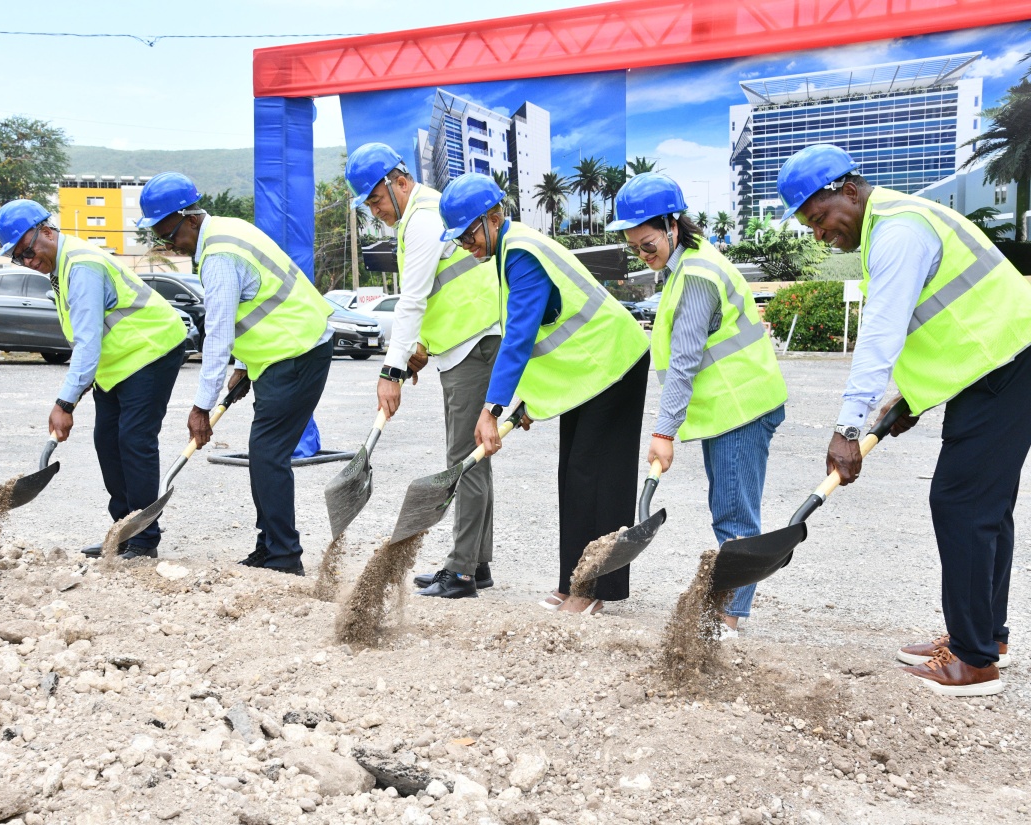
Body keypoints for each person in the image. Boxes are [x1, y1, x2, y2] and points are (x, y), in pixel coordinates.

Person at [777, 143, 1031, 697]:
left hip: (1008, 364)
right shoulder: (893, 222)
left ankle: (973, 660)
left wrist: (847, 429)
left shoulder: (897, 233)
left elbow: (880, 338)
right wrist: (909, 399)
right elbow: (948, 320)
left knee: (961, 502)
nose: (820, 234)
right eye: (810, 228)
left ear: (849, 190)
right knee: (986, 505)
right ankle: (986, 635)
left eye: (820, 219)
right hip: (999, 361)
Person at [438, 173, 650, 614]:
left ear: (492, 218)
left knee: (597, 479)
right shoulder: (507, 252)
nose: (466, 246)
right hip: (587, 373)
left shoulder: (520, 254)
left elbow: (519, 337)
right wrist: (526, 402)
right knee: (572, 476)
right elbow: (545, 339)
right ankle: (572, 580)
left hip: (614, 364)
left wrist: (491, 410)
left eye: (468, 235)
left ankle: (594, 590)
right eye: (458, 241)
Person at [608, 174, 788, 638]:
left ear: (672, 224)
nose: (643, 256)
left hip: (740, 407)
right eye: (635, 249)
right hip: (732, 406)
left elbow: (685, 360)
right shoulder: (686, 265)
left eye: (648, 245)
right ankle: (728, 609)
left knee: (733, 514)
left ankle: (728, 617)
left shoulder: (697, 276)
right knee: (730, 508)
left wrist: (664, 432)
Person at [137, 173, 333, 576]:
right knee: (265, 454)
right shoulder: (226, 231)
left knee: (267, 455)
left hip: (296, 352)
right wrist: (245, 367)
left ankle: (283, 555)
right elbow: (258, 300)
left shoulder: (219, 256)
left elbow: (219, 333)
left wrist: (201, 407)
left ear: (189, 218)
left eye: (168, 232)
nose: (167, 243)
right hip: (282, 353)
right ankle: (270, 548)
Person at [344, 144, 503, 599]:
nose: (375, 211)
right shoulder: (423, 215)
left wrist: (390, 372)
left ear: (399, 181)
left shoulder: (424, 217)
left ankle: (462, 570)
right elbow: (437, 295)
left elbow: (412, 300)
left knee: (464, 460)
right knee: (474, 458)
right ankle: (476, 562)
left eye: (375, 200)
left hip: (475, 344)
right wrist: (420, 349)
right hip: (465, 344)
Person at [0, 200, 187, 560]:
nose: (28, 261)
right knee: (107, 443)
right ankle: (122, 533)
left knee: (134, 440)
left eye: (28, 251)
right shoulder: (59, 266)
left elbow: (87, 341)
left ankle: (144, 541)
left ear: (47, 231)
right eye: (18, 258)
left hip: (152, 349)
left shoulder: (82, 265)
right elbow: (89, 340)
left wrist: (65, 403)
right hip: (117, 362)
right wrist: (74, 394)